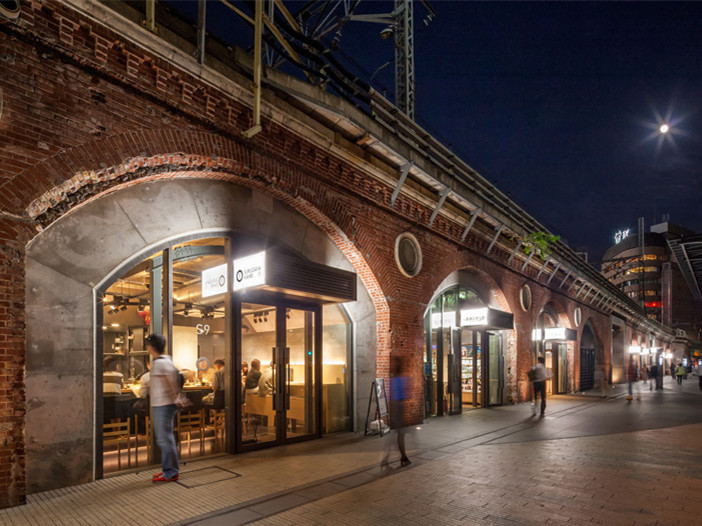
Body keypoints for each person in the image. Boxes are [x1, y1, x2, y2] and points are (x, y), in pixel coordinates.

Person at [147, 333, 180, 483]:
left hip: (164, 405)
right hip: (163, 404)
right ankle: (169, 470)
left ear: (151, 346)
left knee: (164, 439)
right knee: (166, 438)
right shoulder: (163, 361)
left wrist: (176, 397)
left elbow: (171, 380)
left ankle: (171, 472)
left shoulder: (161, 363)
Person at [381, 354, 411, 469]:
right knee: (398, 436)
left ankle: (402, 457)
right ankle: (400, 457)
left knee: (397, 436)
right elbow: (399, 397)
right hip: (398, 409)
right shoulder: (400, 379)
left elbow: (392, 397)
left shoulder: (394, 379)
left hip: (396, 409)